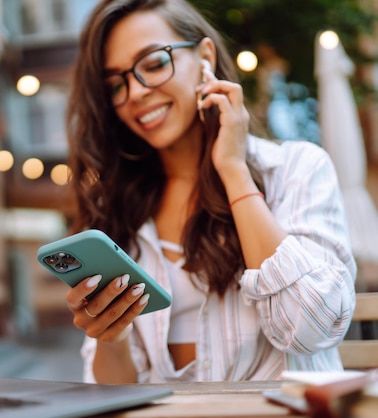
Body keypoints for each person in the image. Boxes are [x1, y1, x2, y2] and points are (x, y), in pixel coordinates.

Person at [64, 0, 357, 383]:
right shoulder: (120, 206)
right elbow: (110, 391)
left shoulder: (296, 171)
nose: (134, 92)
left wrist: (233, 170)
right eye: (115, 84)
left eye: (153, 64)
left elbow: (309, 328)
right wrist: (110, 335)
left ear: (205, 57)